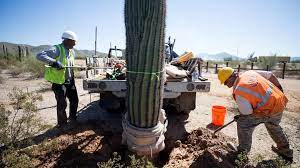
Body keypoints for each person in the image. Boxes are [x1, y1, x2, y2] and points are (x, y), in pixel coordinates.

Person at [218, 67, 293, 162]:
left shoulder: (239, 90)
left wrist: (241, 116)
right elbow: (271, 75)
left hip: (266, 109)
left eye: (225, 82)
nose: (226, 85)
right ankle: (286, 152)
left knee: (243, 124)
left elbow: (247, 113)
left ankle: (242, 155)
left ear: (231, 77)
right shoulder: (250, 72)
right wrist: (280, 90)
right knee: (273, 126)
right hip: (279, 102)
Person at [36, 30, 79, 127]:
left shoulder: (72, 52)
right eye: (74, 41)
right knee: (62, 104)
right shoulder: (56, 49)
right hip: (59, 83)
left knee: (74, 100)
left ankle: (73, 120)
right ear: (67, 40)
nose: (75, 44)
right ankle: (62, 125)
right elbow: (39, 55)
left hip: (70, 81)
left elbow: (70, 65)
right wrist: (54, 62)